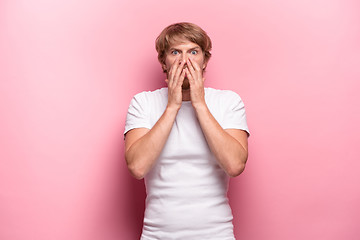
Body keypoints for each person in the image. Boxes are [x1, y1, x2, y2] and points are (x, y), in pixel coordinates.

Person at [124, 22, 250, 240]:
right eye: (175, 52)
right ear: (164, 62)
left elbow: (235, 165)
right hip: (157, 235)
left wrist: (199, 103)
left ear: (204, 61)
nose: (185, 61)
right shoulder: (143, 102)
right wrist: (172, 106)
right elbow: (137, 167)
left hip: (217, 234)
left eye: (193, 52)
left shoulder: (228, 101)